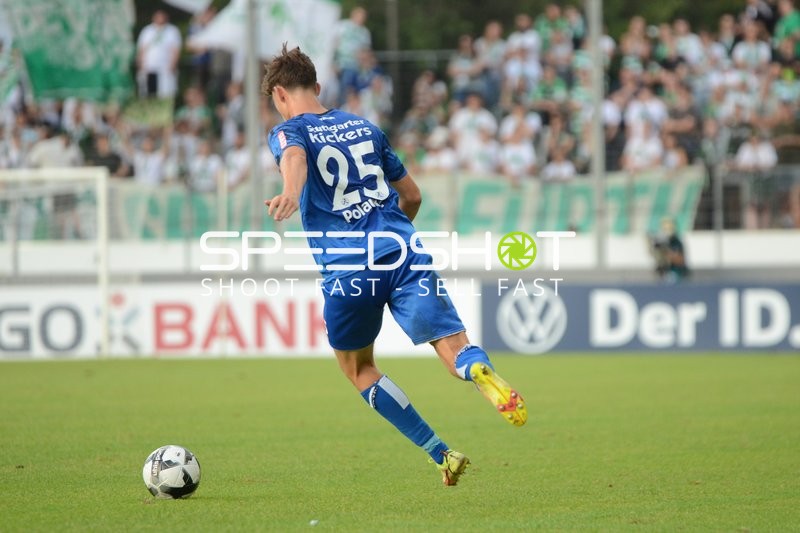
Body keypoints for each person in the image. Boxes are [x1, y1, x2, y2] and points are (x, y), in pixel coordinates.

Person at [262, 46, 527, 487]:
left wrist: (290, 190)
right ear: (319, 87)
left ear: (278, 94)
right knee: (454, 347)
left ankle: (441, 453)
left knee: (359, 369)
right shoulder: (365, 127)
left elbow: (295, 158)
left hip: (349, 270)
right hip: (403, 252)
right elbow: (414, 196)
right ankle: (474, 369)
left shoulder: (289, 131)